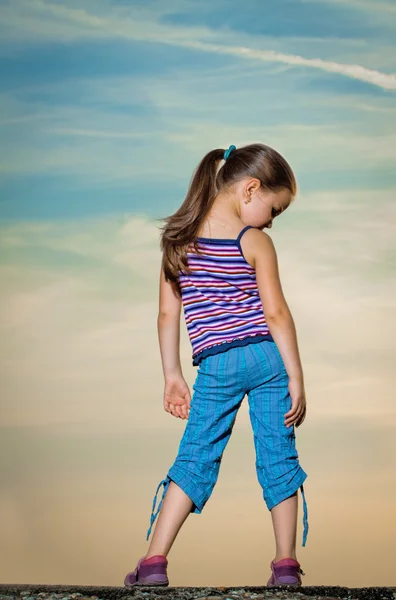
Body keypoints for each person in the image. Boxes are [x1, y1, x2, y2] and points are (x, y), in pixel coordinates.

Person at [124, 143, 309, 588]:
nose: (270, 220)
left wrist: (172, 375)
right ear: (250, 189)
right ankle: (285, 564)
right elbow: (277, 314)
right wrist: (297, 376)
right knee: (278, 455)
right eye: (274, 209)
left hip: (217, 365)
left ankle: (154, 561)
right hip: (267, 360)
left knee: (195, 458)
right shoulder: (255, 241)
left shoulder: (177, 242)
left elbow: (168, 315)